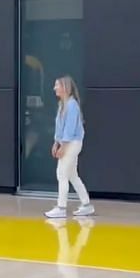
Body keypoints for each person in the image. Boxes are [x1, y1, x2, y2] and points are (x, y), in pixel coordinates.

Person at [45, 75, 94, 219]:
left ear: (65, 88)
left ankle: (61, 207)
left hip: (72, 143)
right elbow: (60, 128)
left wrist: (63, 147)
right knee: (72, 175)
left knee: (62, 174)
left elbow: (70, 129)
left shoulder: (72, 105)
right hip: (68, 143)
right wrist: (56, 142)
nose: (54, 88)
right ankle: (86, 205)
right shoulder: (63, 105)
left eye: (57, 85)